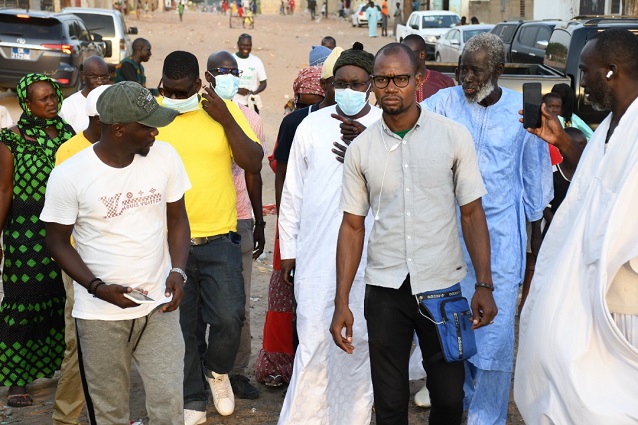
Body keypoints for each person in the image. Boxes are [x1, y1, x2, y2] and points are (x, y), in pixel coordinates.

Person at [330, 42, 497, 425]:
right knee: (389, 404)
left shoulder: (453, 137)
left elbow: (471, 213)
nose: (391, 87)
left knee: (449, 400)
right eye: (383, 79)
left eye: (400, 79)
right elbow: (352, 226)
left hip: (443, 288)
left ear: (418, 80)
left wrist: (484, 284)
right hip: (386, 290)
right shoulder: (362, 150)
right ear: (373, 84)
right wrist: (342, 300)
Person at [421, 32, 552, 425]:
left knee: (494, 339)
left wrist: (533, 250)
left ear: (498, 70)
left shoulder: (520, 113)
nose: (466, 78)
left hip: (502, 241)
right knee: (452, 327)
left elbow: (536, 183)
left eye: (476, 70)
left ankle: (487, 418)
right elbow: (404, 120)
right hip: (448, 238)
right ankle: (456, 403)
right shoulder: (443, 103)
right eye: (463, 69)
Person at [41, 81, 189, 424]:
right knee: (110, 413)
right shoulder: (70, 175)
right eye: (147, 126)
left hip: (159, 306)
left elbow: (178, 219)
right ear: (119, 129)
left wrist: (178, 271)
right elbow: (57, 241)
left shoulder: (165, 156)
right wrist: (96, 287)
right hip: (100, 315)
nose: (155, 132)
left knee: (169, 405)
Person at [515, 29, 638, 424]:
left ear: (612, 71)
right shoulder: (609, 127)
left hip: (625, 294)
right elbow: (593, 182)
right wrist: (563, 142)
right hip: (589, 281)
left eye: (586, 71)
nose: (580, 83)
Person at [155, 51, 262, 425]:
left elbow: (252, 161)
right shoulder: (152, 113)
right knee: (182, 327)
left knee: (231, 317)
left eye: (184, 91)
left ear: (200, 83)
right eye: (170, 90)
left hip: (220, 236)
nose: (177, 97)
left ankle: (217, 371)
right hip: (168, 243)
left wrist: (224, 119)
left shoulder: (220, 109)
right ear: (162, 84)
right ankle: (192, 397)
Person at [278, 43, 382, 425]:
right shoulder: (310, 125)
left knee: (361, 343)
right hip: (315, 254)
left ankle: (351, 417)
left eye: (356, 83)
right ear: (331, 85)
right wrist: (288, 249)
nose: (348, 90)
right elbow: (292, 195)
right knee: (313, 338)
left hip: (370, 254)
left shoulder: (385, 127)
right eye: (341, 83)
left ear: (370, 85)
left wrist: (364, 149)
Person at [256, 46, 343, 388]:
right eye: (303, 98)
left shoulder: (362, 124)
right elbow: (282, 178)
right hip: (299, 225)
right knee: (297, 298)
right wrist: (285, 224)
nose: (309, 103)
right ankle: (293, 367)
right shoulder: (297, 123)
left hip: (338, 226)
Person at [0, 74, 74, 408]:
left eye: (53, 96)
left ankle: (57, 366)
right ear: (26, 103)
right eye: (42, 99)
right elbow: (3, 191)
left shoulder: (68, 134)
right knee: (23, 301)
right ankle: (16, 379)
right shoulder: (11, 139)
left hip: (64, 229)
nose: (50, 103)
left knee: (59, 299)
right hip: (24, 231)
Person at [201, 50, 267, 401]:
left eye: (233, 71)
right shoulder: (193, 113)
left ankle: (235, 370)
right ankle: (196, 369)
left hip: (238, 217)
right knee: (196, 305)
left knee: (237, 304)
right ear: (208, 76)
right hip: (197, 219)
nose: (228, 76)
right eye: (221, 71)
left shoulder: (249, 118)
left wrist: (258, 221)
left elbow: (253, 173)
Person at [52, 84, 110, 425]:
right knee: (79, 342)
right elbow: (64, 215)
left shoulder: (126, 148)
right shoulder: (69, 152)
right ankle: (65, 417)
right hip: (81, 261)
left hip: (124, 256)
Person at [60, 56, 110, 133]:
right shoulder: (67, 107)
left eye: (104, 77)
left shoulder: (115, 101)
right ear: (83, 76)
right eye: (94, 77)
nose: (100, 82)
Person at [402, 34, 455, 102]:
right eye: (402, 54)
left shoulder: (445, 82)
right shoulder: (397, 84)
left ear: (422, 55)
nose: (403, 58)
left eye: (408, 53)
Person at [234, 34, 268, 114]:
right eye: (243, 45)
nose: (246, 48)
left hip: (251, 104)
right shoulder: (231, 60)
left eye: (248, 45)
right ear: (238, 44)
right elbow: (225, 82)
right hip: (234, 103)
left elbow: (263, 83)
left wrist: (255, 92)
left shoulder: (256, 61)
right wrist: (237, 90)